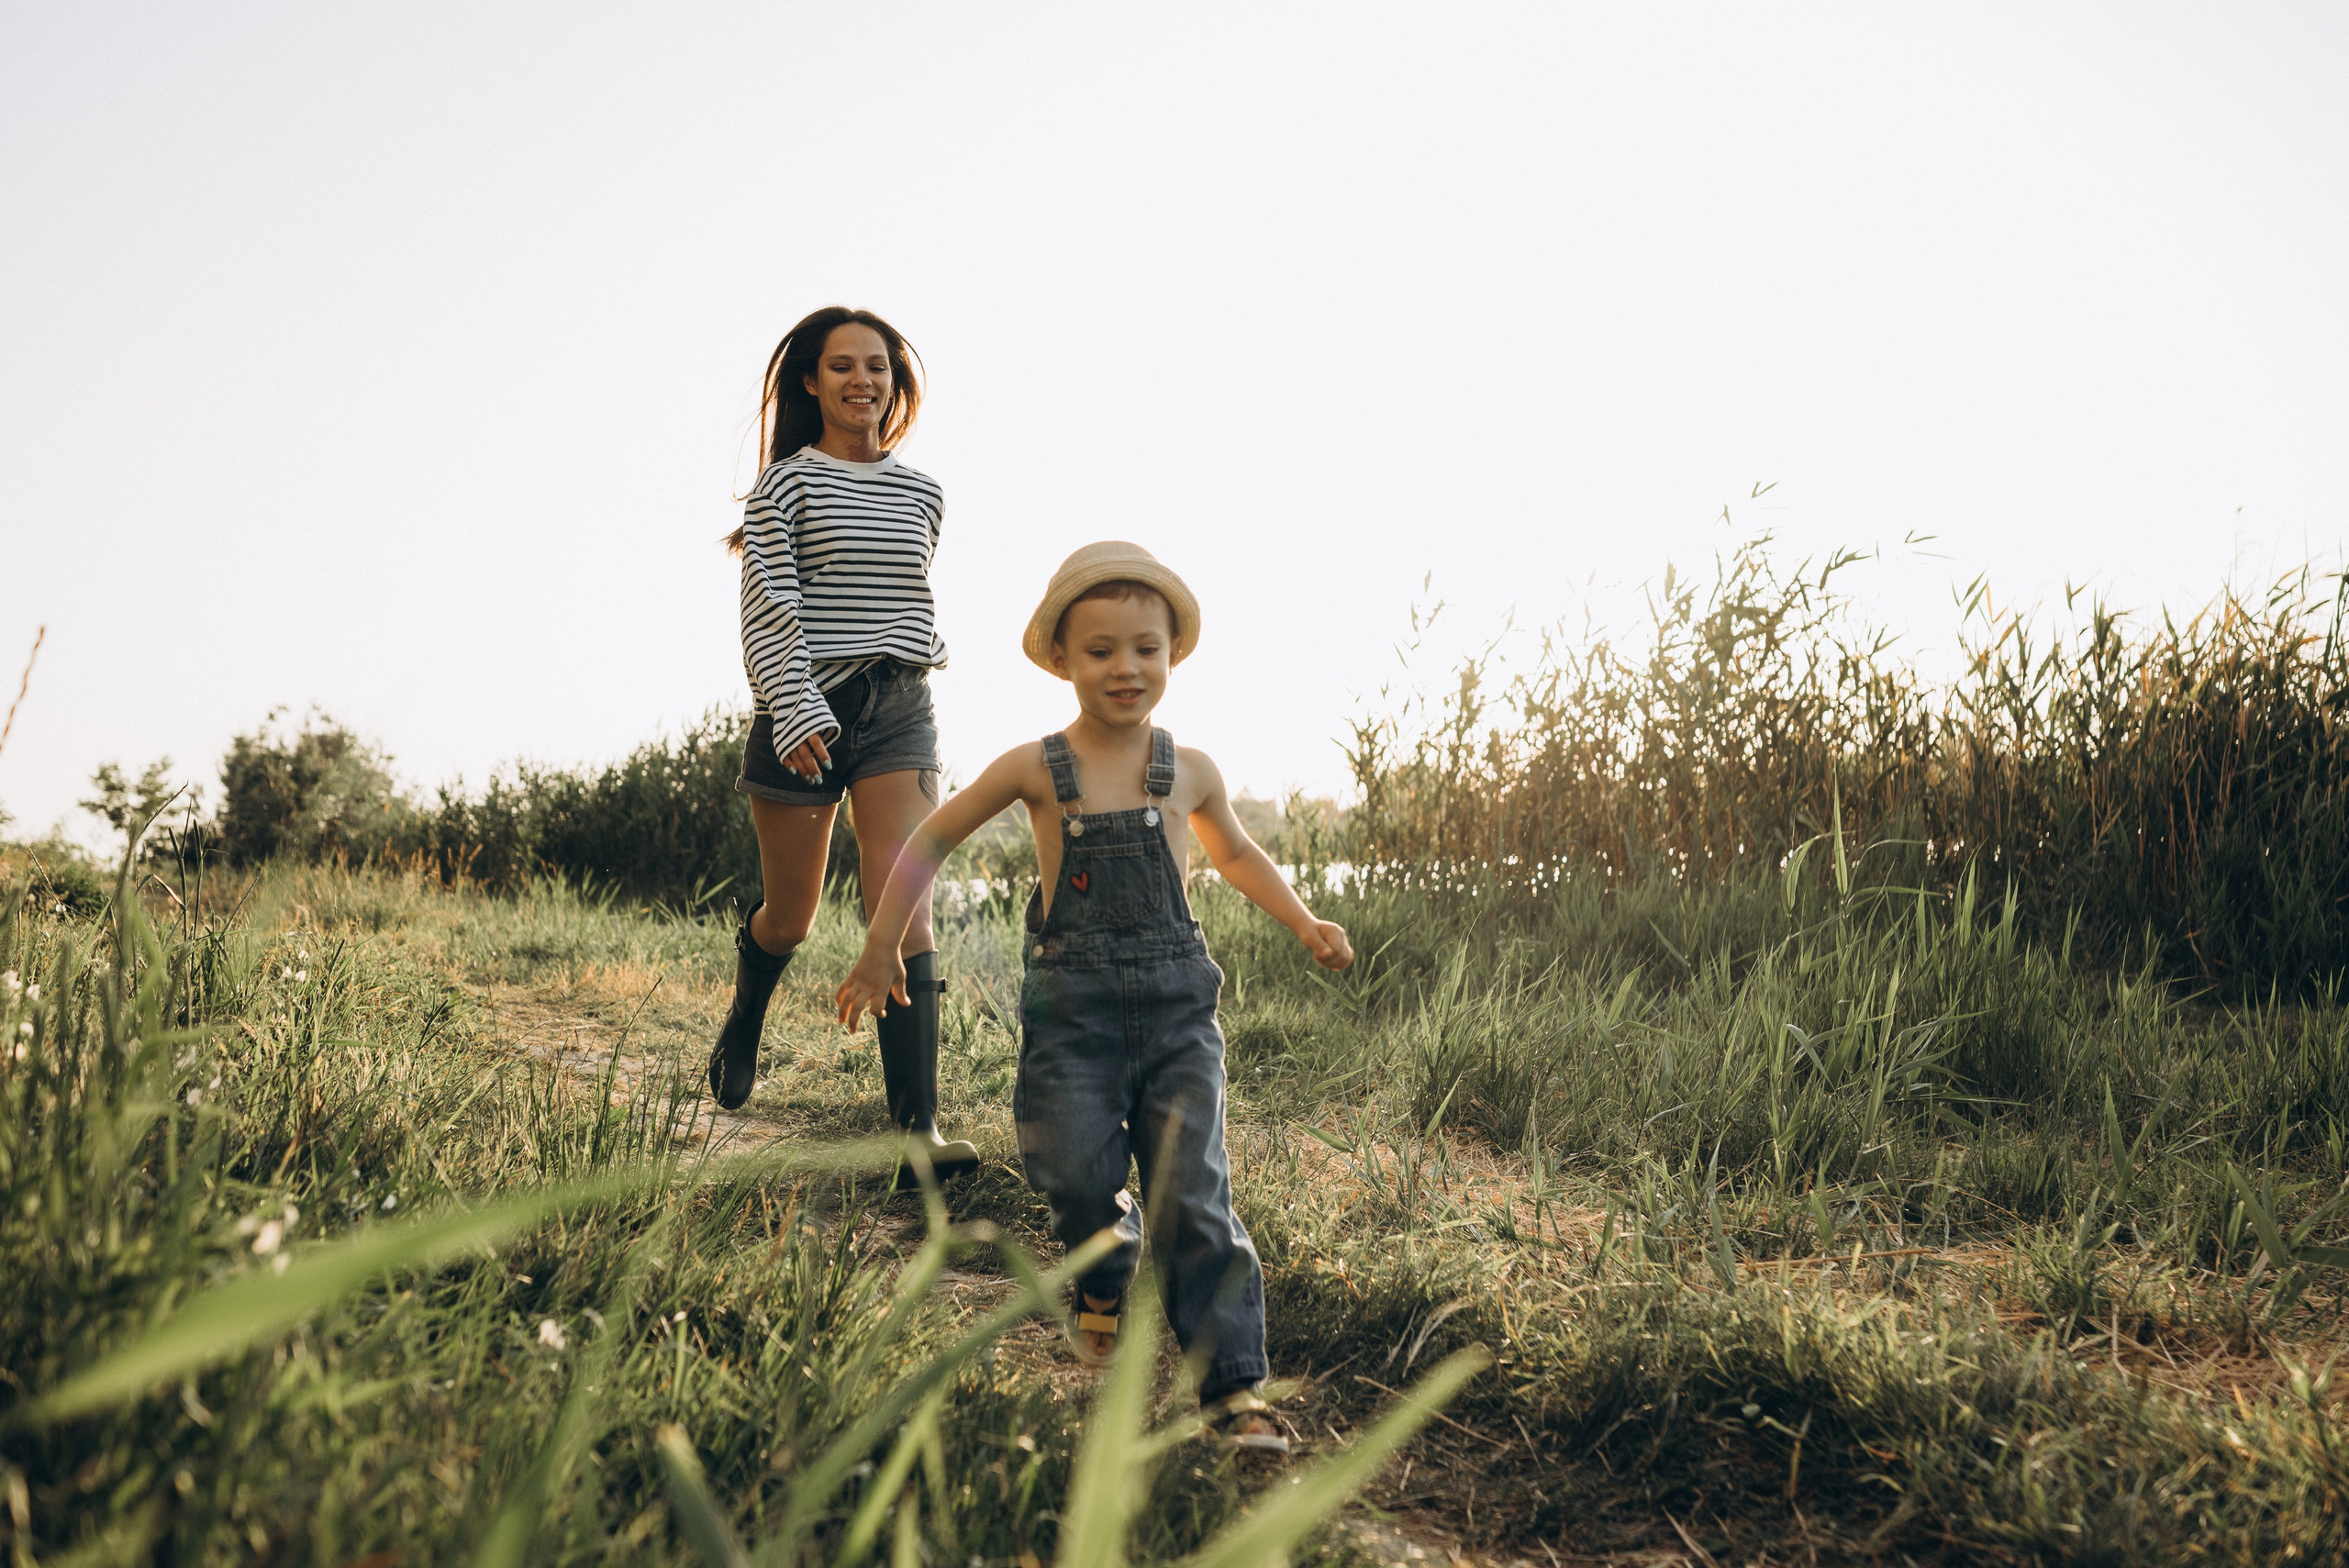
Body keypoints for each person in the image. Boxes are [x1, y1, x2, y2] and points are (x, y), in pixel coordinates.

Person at [836, 541, 1354, 1452]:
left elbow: (1234, 853)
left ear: (1171, 655)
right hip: (1071, 1020)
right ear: (1062, 659)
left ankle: (1233, 1389)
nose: (1126, 667)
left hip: (1175, 1015)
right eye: (1102, 649)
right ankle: (1100, 1264)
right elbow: (929, 839)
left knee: (1193, 1195)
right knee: (1073, 1172)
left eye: (1145, 648)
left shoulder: (1188, 768)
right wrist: (881, 948)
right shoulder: (1035, 766)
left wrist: (1304, 920)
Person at [709, 305, 977, 1183]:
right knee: (791, 915)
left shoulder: (924, 492)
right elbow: (769, 603)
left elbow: (900, 601)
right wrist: (793, 704)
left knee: (905, 903)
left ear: (894, 384)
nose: (863, 380)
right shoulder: (784, 486)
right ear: (811, 383)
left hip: (899, 702)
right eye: (842, 367)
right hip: (804, 703)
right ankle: (749, 1004)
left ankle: (917, 1137)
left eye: (878, 367)